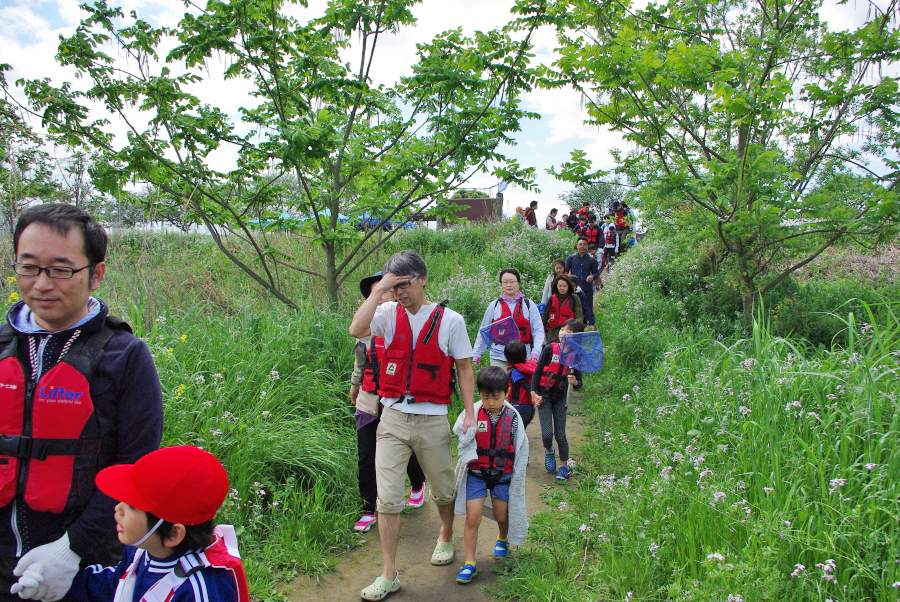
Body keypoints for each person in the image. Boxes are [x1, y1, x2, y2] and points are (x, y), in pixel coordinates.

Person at [2, 203, 163, 602]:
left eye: (60, 269)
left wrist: (71, 549)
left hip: (86, 564)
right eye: (28, 267)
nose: (41, 284)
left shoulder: (125, 356)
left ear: (96, 274)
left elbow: (134, 466)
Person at [348, 250, 475, 602]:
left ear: (422, 280)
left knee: (443, 489)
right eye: (394, 284)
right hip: (391, 418)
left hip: (432, 419)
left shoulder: (450, 320)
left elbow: (464, 368)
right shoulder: (387, 313)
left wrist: (470, 413)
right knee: (387, 499)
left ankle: (446, 532)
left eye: (404, 283)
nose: (399, 291)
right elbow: (356, 329)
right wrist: (379, 290)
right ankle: (389, 573)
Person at [13, 446, 249, 602]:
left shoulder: (202, 589)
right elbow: (116, 585)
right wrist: (60, 582)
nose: (118, 508)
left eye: (133, 506)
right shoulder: (141, 552)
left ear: (173, 534)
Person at [350, 273, 426, 533]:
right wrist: (354, 385)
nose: (381, 297)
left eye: (384, 291)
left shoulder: (401, 324)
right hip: (368, 401)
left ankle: (417, 483)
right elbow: (360, 361)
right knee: (366, 458)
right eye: (375, 293)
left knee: (402, 451)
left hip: (395, 400)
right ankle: (368, 509)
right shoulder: (365, 329)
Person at [451, 367, 529, 585]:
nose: (491, 402)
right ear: (479, 393)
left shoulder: (513, 417)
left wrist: (516, 474)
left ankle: (502, 538)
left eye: (496, 397)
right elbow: (460, 431)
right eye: (486, 397)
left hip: (502, 474)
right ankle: (469, 563)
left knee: (501, 516)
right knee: (472, 517)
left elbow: (521, 447)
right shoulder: (473, 413)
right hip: (477, 473)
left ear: (506, 392)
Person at [531, 319, 584, 481]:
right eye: (562, 330)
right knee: (547, 435)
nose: (563, 334)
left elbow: (579, 383)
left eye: (569, 332)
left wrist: (574, 382)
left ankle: (564, 466)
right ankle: (549, 451)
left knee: (560, 434)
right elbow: (537, 373)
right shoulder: (549, 349)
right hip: (544, 396)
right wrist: (534, 393)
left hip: (561, 398)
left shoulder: (576, 356)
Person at [472, 269, 544, 370]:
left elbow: (538, 330)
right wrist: (477, 353)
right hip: (498, 356)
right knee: (499, 385)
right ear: (501, 284)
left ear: (518, 283)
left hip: (522, 356)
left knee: (520, 385)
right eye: (505, 282)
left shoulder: (529, 305)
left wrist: (536, 352)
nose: (508, 285)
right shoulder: (494, 305)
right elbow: (484, 329)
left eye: (512, 281)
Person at [565, 237, 600, 328]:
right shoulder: (571, 258)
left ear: (587, 246)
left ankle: (588, 326)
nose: (582, 246)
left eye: (584, 244)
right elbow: (565, 271)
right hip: (574, 290)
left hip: (587, 288)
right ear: (577, 246)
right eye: (580, 244)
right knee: (573, 309)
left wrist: (592, 276)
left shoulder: (591, 260)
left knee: (587, 309)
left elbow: (596, 272)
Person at [502, 341, 536, 428]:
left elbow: (525, 385)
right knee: (521, 431)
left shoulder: (515, 371)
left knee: (513, 431)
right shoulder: (530, 367)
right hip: (530, 407)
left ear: (507, 357)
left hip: (519, 406)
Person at [542, 275, 583, 344]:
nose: (562, 288)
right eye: (560, 286)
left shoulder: (574, 299)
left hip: (568, 334)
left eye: (564, 286)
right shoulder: (551, 299)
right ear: (556, 286)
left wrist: (577, 331)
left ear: (568, 287)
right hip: (552, 334)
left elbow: (579, 315)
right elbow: (545, 316)